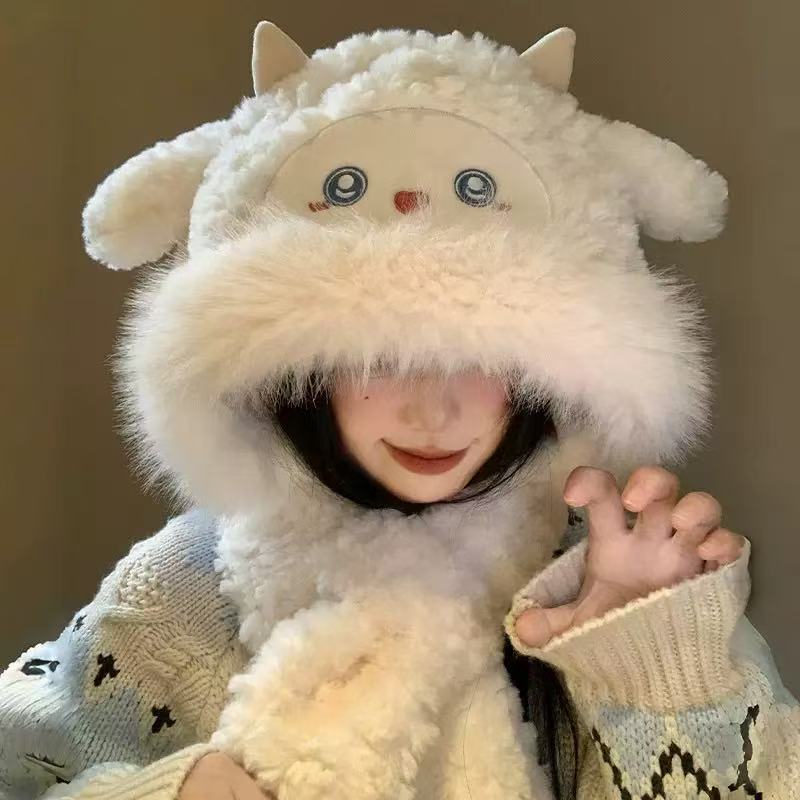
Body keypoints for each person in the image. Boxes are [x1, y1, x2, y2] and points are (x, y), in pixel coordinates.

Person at [1, 19, 798, 800]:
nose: (433, 411)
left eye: (485, 362)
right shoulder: (178, 593)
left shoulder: (630, 591)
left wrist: (652, 675)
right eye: (378, 361)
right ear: (291, 372)